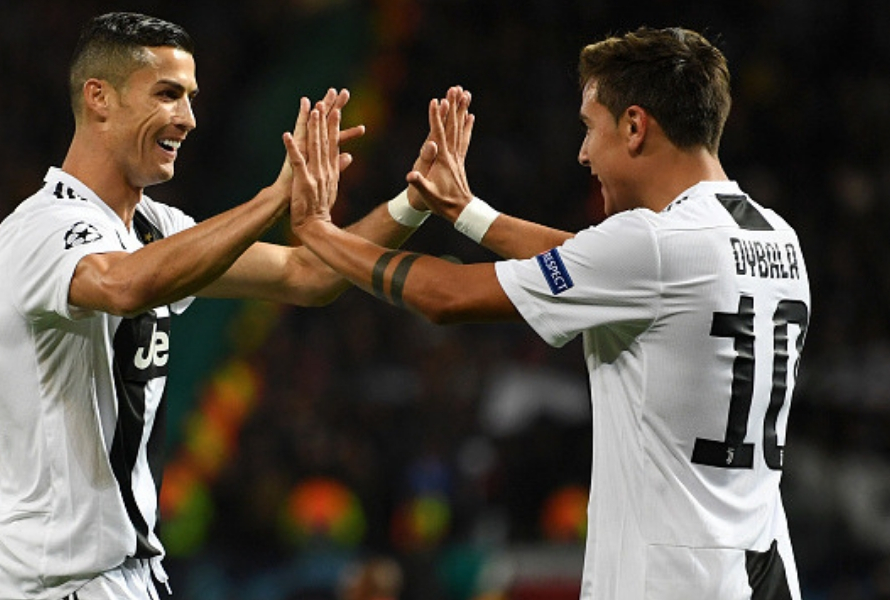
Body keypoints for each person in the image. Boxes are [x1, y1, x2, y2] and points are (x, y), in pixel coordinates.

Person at [286, 27, 810, 599]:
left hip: (671, 581)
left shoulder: (653, 245)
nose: (583, 153)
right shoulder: (775, 236)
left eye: (589, 127)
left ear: (634, 127)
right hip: (762, 569)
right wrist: (465, 211)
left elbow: (447, 296)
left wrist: (319, 232)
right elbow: (599, 261)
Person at [0, 11, 441, 600]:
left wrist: (416, 202)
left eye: (190, 98)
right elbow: (122, 286)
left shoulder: (155, 227)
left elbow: (310, 274)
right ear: (99, 98)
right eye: (167, 94)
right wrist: (273, 199)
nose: (188, 118)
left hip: (130, 575)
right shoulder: (42, 227)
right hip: (49, 581)